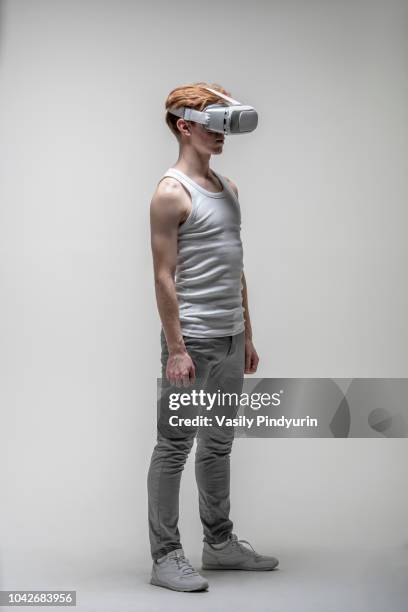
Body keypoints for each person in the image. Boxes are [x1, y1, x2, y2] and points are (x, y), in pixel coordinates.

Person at [147, 82, 279, 592]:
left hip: (229, 336)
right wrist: (176, 348)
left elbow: (234, 266)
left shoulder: (230, 189)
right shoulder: (169, 193)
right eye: (212, 123)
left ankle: (219, 544)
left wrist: (246, 332)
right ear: (184, 126)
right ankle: (165, 556)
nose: (223, 134)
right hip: (193, 342)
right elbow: (163, 276)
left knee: (218, 444)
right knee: (174, 446)